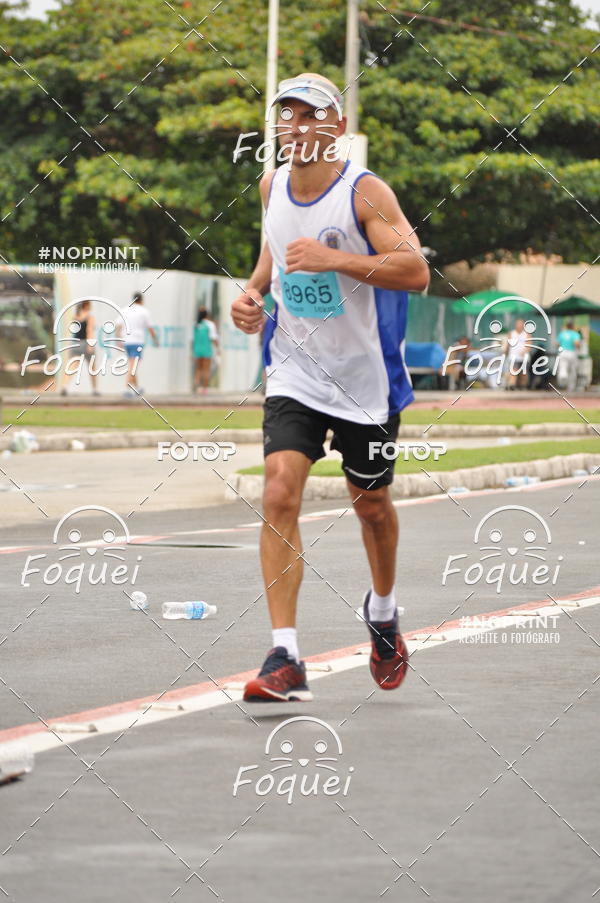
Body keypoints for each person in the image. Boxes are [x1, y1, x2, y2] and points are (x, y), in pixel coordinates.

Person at [230, 72, 430, 703]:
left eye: (311, 115)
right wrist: (253, 292)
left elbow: (416, 271)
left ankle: (384, 609)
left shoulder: (364, 193)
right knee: (280, 489)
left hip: (363, 380)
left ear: (336, 127)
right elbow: (274, 255)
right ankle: (284, 656)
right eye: (286, 115)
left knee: (370, 506)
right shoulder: (269, 186)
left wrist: (337, 259)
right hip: (294, 370)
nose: (297, 126)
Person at [119, 292, 159, 394]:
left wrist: (119, 339)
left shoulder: (125, 310)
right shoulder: (144, 311)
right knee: (133, 366)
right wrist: (155, 339)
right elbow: (150, 328)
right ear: (141, 300)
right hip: (137, 342)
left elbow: (118, 325)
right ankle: (127, 388)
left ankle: (137, 388)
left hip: (126, 342)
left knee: (133, 365)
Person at [59, 299, 100, 396]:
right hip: (85, 343)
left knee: (72, 366)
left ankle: (64, 386)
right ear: (86, 306)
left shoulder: (75, 317)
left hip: (75, 344)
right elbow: (90, 330)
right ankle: (94, 390)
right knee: (92, 368)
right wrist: (91, 345)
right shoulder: (89, 317)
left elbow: (73, 332)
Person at [193, 308, 219, 393]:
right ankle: (205, 389)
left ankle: (196, 387)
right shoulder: (210, 325)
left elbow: (192, 339)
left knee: (198, 369)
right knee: (206, 369)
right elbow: (213, 338)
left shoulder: (196, 324)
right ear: (207, 315)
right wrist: (218, 348)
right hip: (206, 350)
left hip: (197, 350)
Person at [505, 318, 530, 390]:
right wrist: (506, 352)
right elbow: (508, 344)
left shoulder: (526, 334)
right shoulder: (511, 333)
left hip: (524, 357)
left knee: (523, 373)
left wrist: (525, 351)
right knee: (514, 371)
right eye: (518, 324)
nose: (519, 325)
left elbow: (529, 345)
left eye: (521, 324)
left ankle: (522, 386)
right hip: (513, 356)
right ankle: (512, 385)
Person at [557, 320, 581, 392]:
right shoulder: (575, 334)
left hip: (563, 352)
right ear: (573, 327)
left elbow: (557, 343)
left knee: (563, 367)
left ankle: (563, 377)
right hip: (572, 352)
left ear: (566, 326)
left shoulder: (562, 334)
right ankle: (571, 387)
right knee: (572, 370)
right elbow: (576, 343)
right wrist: (579, 347)